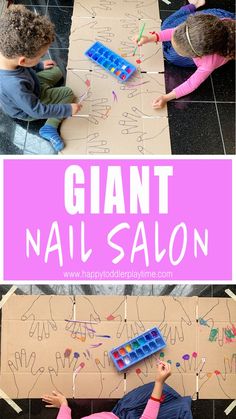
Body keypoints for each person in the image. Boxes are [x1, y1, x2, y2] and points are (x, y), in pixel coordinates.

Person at [0, 5, 81, 152]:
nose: (41, 58)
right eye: (39, 57)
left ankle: (43, 82)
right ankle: (49, 127)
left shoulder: (8, 54)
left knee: (56, 71)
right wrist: (67, 109)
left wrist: (39, 66)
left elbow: (24, 67)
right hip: (28, 108)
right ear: (23, 61)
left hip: (30, 83)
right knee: (68, 93)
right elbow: (36, 110)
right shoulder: (14, 85)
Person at [134, 0, 235, 109]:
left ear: (197, 55)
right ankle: (195, 5)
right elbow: (174, 32)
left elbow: (191, 84)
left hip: (215, 21)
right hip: (218, 17)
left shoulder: (208, 64)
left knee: (171, 55)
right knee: (166, 29)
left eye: (180, 51)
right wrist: (150, 38)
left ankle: (193, 9)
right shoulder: (201, 29)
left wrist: (166, 97)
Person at [42, 361, 192, 419]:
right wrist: (159, 381)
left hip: (121, 411)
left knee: (163, 390)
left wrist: (63, 404)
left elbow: (64, 415)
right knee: (182, 409)